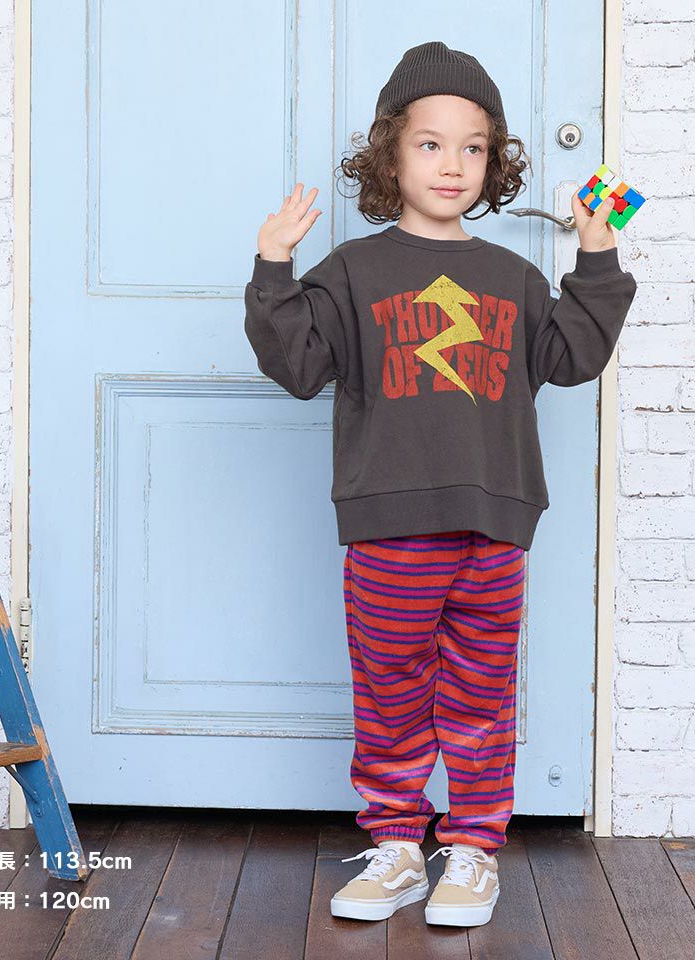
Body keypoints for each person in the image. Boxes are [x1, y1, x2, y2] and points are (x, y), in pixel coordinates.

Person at [243, 41, 637, 928]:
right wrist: (273, 269)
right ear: (390, 156)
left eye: (473, 147)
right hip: (389, 533)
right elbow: (299, 367)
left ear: (494, 163)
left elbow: (572, 355)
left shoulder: (515, 278)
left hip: (495, 528)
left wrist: (596, 252)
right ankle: (395, 845)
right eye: (430, 144)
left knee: (480, 696)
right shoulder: (353, 271)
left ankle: (472, 850)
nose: (453, 164)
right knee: (390, 691)